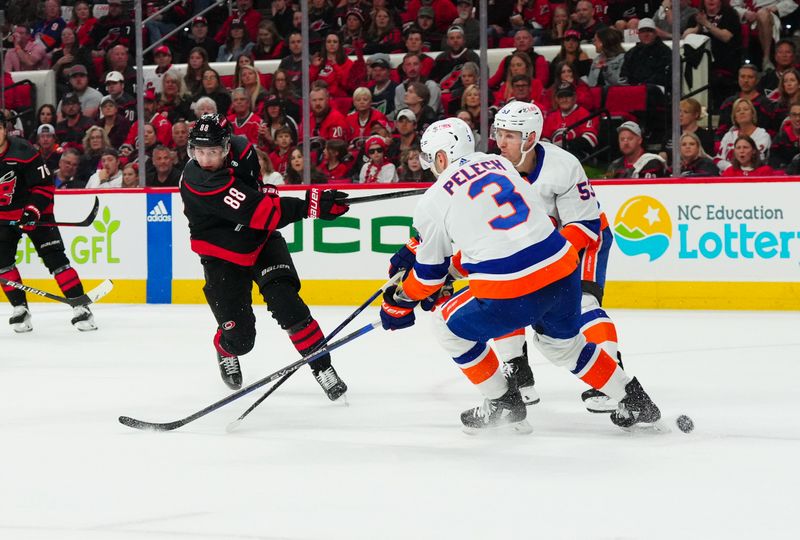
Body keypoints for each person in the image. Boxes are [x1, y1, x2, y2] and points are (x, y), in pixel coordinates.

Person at [380, 117, 661, 432]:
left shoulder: (432, 200)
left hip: (512, 289)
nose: (432, 167)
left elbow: (428, 278)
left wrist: (400, 298)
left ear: (442, 157)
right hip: (562, 269)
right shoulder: (499, 164)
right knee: (564, 345)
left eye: (432, 160)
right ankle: (635, 400)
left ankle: (503, 403)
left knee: (446, 324)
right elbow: (503, 236)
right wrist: (450, 272)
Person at [180, 113, 350, 397]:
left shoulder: (243, 149)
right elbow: (263, 211)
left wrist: (273, 196)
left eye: (211, 152)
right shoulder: (200, 181)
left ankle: (322, 367)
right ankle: (224, 346)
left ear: (225, 147)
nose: (205, 159)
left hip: (259, 240)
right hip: (222, 255)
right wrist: (313, 205)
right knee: (242, 341)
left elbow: (258, 190)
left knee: (288, 304)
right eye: (199, 152)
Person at [0, 112, 96, 332]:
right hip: (4, 217)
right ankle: (20, 309)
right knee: (2, 263)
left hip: (36, 212)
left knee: (55, 259)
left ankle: (81, 307)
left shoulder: (23, 151)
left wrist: (32, 211)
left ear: (5, 129)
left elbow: (44, 187)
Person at [683, 0, 742, 111]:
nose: (711, 0)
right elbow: (685, 35)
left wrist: (707, 24)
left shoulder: (730, 14)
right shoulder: (697, 17)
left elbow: (726, 37)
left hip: (724, 63)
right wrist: (698, 28)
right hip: (699, 66)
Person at [540, 83, 598, 160]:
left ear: (575, 97)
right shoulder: (551, 116)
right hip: (555, 156)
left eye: (568, 96)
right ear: (556, 99)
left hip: (577, 156)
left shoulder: (583, 113)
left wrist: (565, 145)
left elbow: (591, 139)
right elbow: (545, 139)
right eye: (561, 97)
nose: (564, 99)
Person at [714, 98, 772, 172]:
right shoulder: (728, 136)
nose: (742, 112)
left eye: (746, 109)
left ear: (752, 114)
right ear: (735, 117)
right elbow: (718, 159)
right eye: (738, 111)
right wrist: (731, 169)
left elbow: (756, 159)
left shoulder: (762, 135)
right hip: (729, 177)